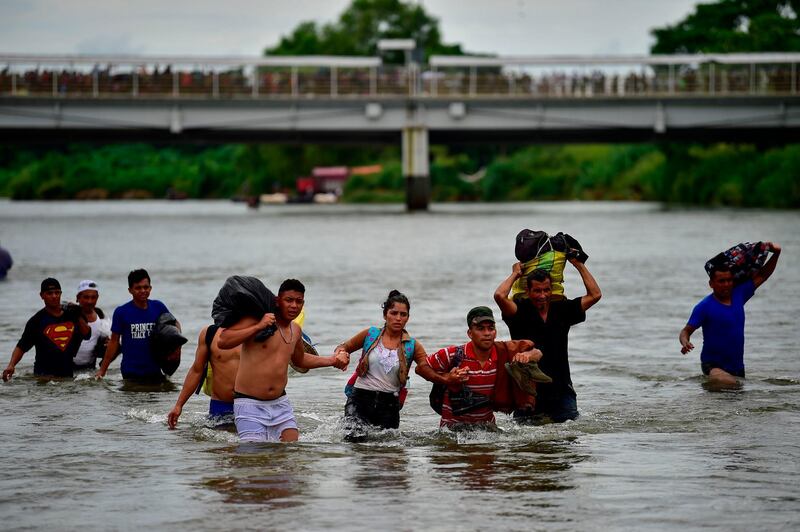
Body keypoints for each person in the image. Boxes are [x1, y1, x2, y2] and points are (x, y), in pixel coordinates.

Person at [217, 279, 348, 443]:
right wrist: (258, 326)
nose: (294, 305)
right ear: (278, 301)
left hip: (280, 404)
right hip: (249, 404)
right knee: (253, 460)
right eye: (289, 300)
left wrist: (332, 360)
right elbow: (223, 341)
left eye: (298, 301)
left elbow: (300, 360)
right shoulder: (258, 321)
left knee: (290, 456)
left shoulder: (296, 329)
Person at [335, 290, 457, 438]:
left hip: (389, 405)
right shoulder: (370, 334)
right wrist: (341, 354)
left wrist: (448, 378)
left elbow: (427, 369)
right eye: (394, 313)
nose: (398, 318)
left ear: (408, 318)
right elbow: (343, 347)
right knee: (354, 439)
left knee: (388, 451)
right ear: (385, 315)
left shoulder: (412, 345)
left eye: (403, 314)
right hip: (360, 399)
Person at [494, 258, 601, 424]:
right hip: (528, 391)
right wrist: (515, 273)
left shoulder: (562, 309)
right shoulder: (519, 311)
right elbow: (499, 296)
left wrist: (579, 264)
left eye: (546, 290)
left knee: (567, 441)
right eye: (537, 291)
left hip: (561, 389)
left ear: (552, 290)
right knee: (525, 446)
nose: (542, 295)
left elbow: (595, 295)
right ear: (528, 291)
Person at [679, 242, 781, 387]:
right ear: (711, 283)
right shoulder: (704, 307)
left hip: (737, 367)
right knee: (728, 383)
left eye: (729, 280)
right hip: (713, 366)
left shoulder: (739, 294)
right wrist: (685, 342)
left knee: (736, 400)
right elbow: (685, 331)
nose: (726, 284)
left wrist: (776, 254)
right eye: (721, 281)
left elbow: (763, 275)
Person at [424, 306, 543, 429]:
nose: (487, 333)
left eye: (490, 328)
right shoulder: (452, 354)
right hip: (452, 431)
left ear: (495, 332)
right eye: (480, 329)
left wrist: (527, 355)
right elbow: (421, 368)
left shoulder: (503, 352)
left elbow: (538, 353)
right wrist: (447, 379)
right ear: (470, 333)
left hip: (487, 430)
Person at [95, 269, 180, 383]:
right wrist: (102, 370)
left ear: (150, 288)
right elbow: (114, 342)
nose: (143, 291)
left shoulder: (158, 307)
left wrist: (176, 348)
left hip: (155, 370)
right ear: (130, 290)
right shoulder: (122, 312)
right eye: (138, 288)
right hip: (131, 372)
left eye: (146, 287)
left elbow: (175, 324)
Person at [3, 278, 90, 381]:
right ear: (42, 296)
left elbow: (87, 334)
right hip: (43, 378)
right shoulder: (36, 321)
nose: (54, 296)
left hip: (68, 377)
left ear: (61, 294)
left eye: (57, 293)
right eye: (49, 293)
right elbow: (22, 346)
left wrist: (78, 314)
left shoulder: (72, 315)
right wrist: (11, 365)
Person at [167, 324, 241, 429]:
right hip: (220, 405)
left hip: (252, 405)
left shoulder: (260, 332)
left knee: (254, 444)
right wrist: (178, 405)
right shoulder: (210, 334)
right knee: (218, 444)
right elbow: (196, 371)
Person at [72, 280, 111, 372]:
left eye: (93, 297)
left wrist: (107, 342)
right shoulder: (69, 314)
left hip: (90, 369)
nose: (90, 301)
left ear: (97, 298)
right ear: (78, 297)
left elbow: (107, 338)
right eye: (86, 297)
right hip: (68, 368)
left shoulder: (100, 315)